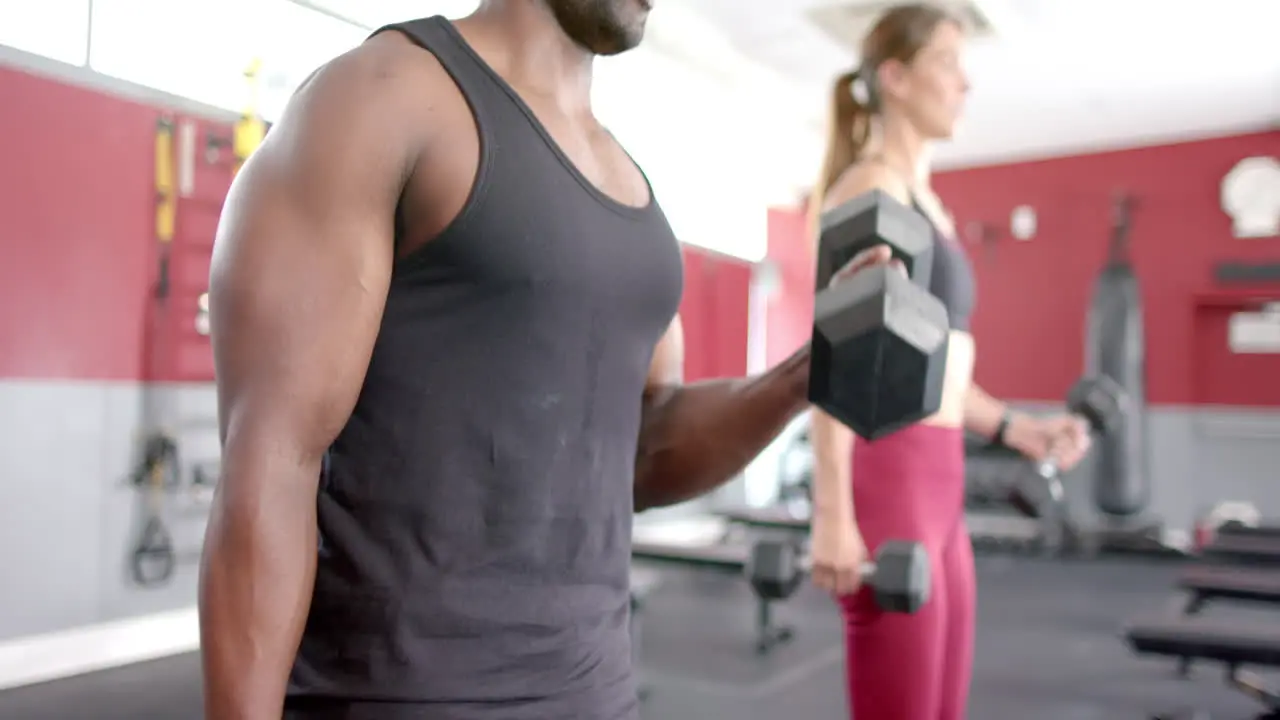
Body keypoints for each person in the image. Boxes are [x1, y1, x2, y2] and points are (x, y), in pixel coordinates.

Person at [198, 2, 895, 719]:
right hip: (400, 699)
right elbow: (271, 463)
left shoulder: (630, 182)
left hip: (597, 695)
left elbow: (644, 449)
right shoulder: (382, 98)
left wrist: (806, 372)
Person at [804, 5, 1092, 720]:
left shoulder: (930, 205)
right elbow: (837, 361)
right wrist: (832, 511)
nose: (966, 83)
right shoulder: (872, 191)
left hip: (941, 483)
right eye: (948, 62)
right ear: (895, 77)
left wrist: (1016, 428)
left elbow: (939, 373)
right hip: (889, 477)